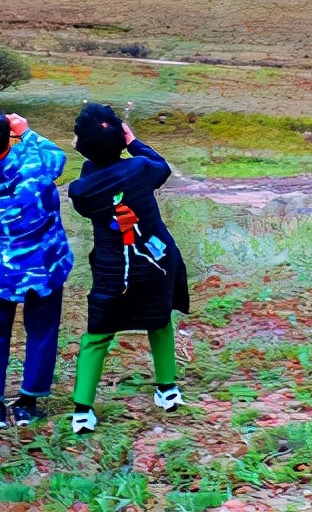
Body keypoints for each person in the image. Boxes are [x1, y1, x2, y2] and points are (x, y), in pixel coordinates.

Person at [66, 103, 189, 434]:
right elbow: (162, 166)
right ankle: (167, 389)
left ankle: (83, 411)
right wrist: (133, 142)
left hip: (113, 273)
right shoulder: (141, 169)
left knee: (98, 335)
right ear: (121, 140)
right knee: (160, 321)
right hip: (156, 264)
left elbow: (90, 189)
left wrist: (93, 158)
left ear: (82, 146)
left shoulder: (81, 190)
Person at [0, 107, 73, 431]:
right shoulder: (34, 162)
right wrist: (26, 130)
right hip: (45, 267)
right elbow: (58, 156)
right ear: (9, 136)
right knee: (42, 333)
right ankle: (27, 404)